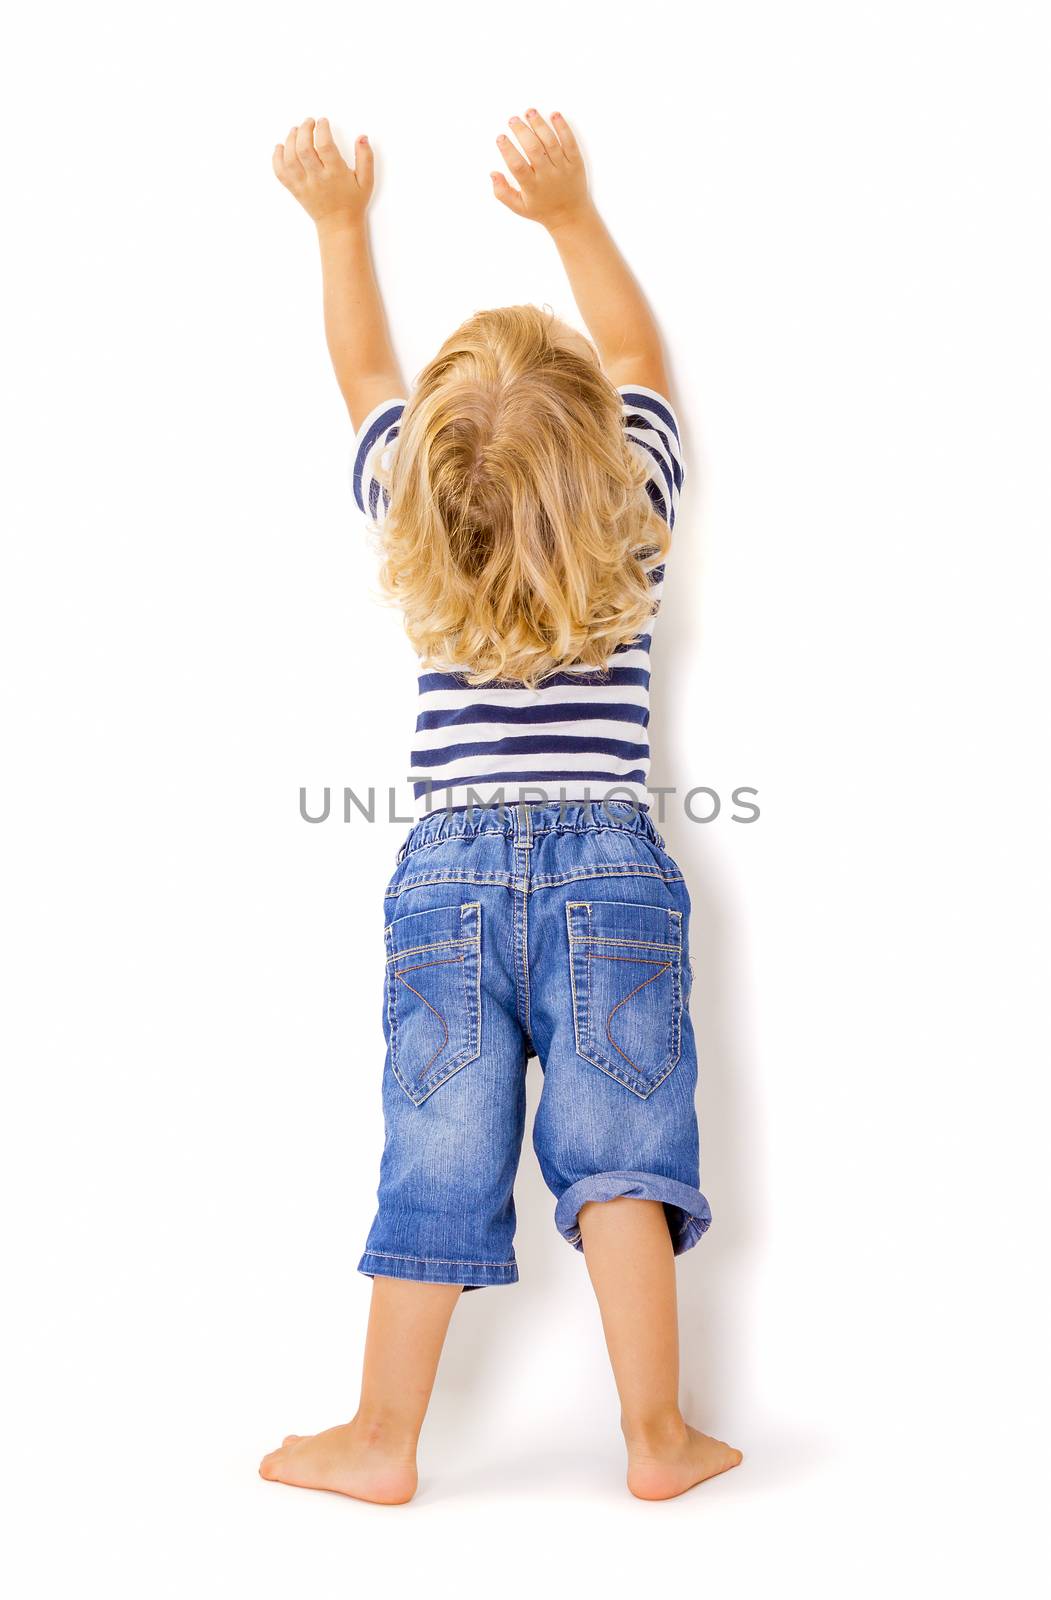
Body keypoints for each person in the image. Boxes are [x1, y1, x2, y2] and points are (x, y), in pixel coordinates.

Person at [261, 109, 741, 1503]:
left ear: (423, 486)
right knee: (624, 1159)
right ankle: (658, 1441)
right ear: (597, 453)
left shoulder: (408, 509)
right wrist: (572, 214)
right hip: (613, 873)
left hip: (448, 880)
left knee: (433, 1155)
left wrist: (339, 224)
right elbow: (640, 358)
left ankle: (379, 1440)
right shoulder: (633, 504)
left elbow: (361, 369)